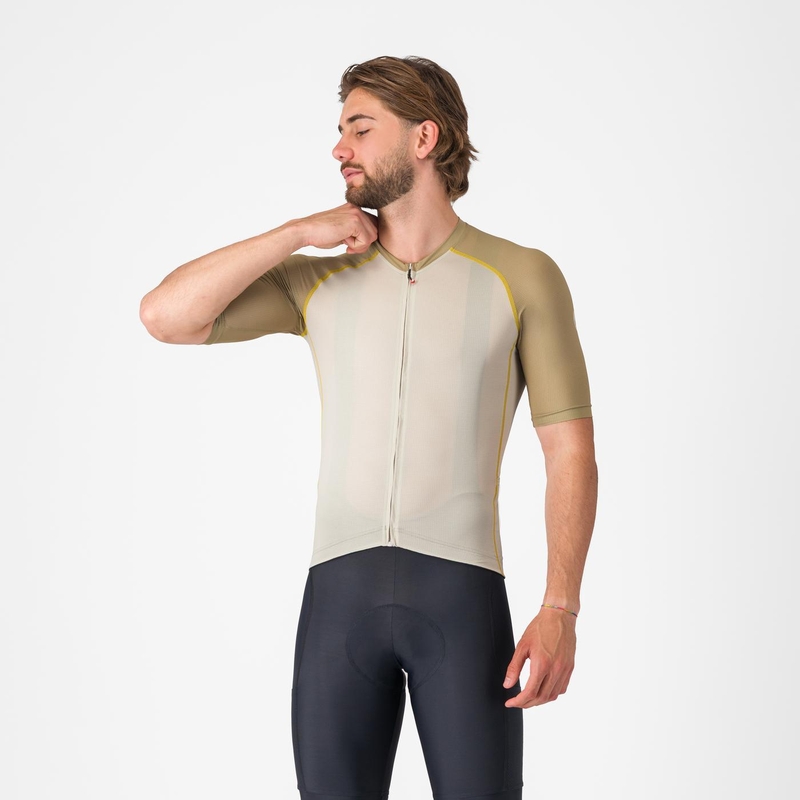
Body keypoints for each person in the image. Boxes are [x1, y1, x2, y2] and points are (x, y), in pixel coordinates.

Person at [140, 55, 598, 800]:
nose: (339, 148)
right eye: (340, 130)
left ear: (424, 137)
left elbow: (569, 449)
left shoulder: (521, 275)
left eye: (360, 128)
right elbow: (165, 316)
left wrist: (560, 609)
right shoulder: (317, 278)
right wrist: (297, 232)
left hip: (462, 602)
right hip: (338, 606)